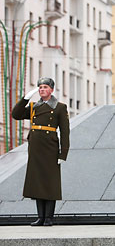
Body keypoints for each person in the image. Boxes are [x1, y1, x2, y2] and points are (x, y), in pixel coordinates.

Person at [11, 77, 70, 225]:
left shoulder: (59, 107)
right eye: (40, 87)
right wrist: (25, 99)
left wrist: (63, 153)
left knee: (50, 182)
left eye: (45, 87)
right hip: (35, 148)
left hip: (50, 147)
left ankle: (49, 217)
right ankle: (40, 217)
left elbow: (65, 132)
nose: (42, 89)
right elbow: (16, 115)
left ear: (51, 89)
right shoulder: (33, 107)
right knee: (37, 182)